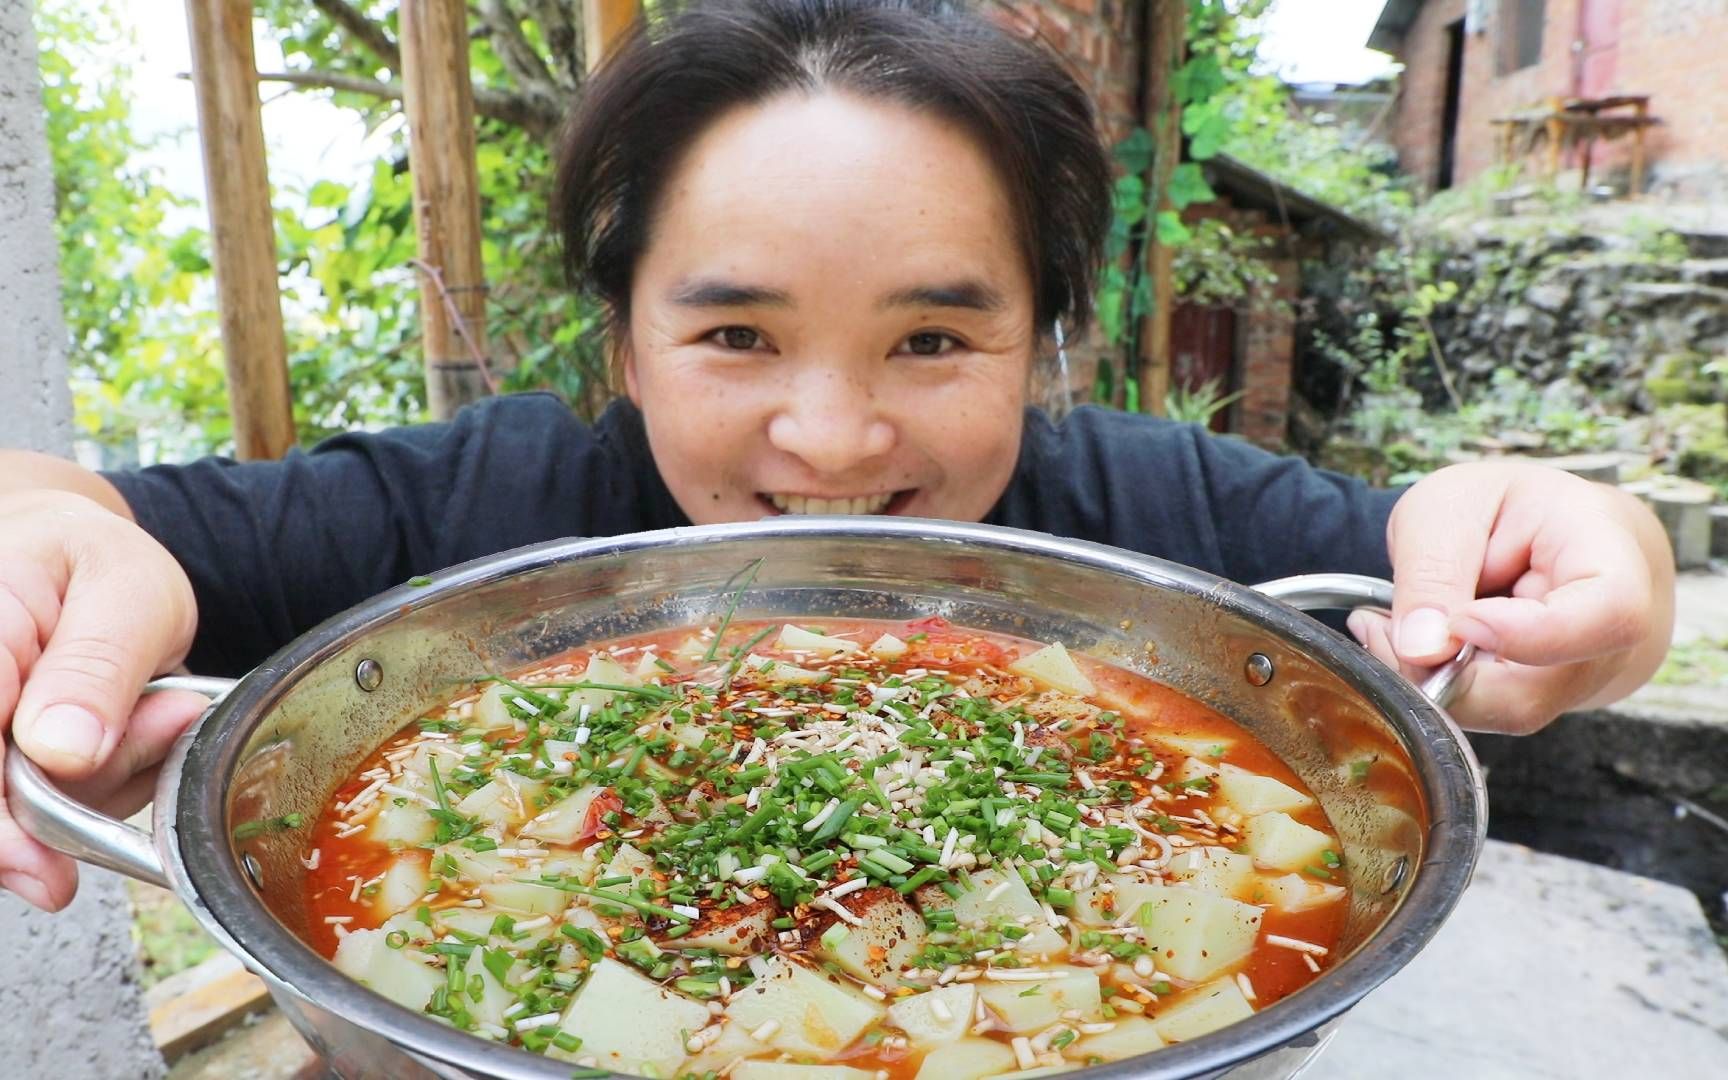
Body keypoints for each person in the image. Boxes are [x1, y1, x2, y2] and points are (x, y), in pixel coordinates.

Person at [0, 0, 1672, 913]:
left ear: (1041, 338)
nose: (831, 435)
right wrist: (45, 559)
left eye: (936, 339)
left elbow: (1505, 555)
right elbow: (67, 516)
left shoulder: (1158, 523)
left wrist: (1599, 564)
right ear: (624, 336)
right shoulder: (464, 512)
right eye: (734, 335)